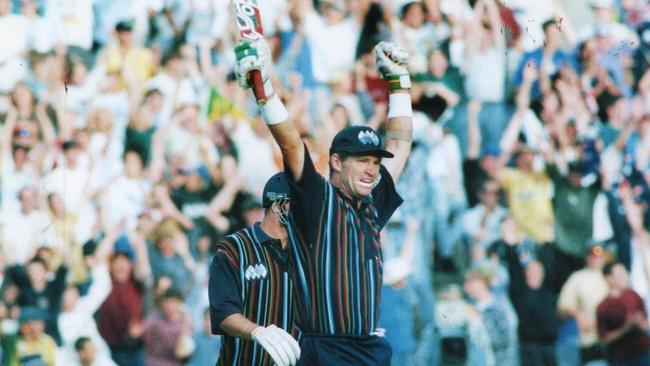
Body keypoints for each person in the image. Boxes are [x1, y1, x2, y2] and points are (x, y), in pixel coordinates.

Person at [233, 38, 413, 365]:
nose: (372, 170)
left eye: (375, 162)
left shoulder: (373, 203)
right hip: (324, 350)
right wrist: (265, 90)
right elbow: (291, 145)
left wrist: (399, 85)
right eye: (362, 161)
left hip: (369, 349)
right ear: (335, 162)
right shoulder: (317, 199)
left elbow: (400, 143)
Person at [208, 172, 300, 366]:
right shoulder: (234, 248)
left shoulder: (306, 253)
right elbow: (224, 313)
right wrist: (258, 332)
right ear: (279, 206)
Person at [596, 262, 650, 366]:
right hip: (620, 358)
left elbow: (645, 322)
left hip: (643, 353)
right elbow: (604, 339)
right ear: (609, 278)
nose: (625, 277)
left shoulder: (634, 295)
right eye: (620, 275)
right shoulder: (603, 307)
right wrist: (626, 328)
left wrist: (639, 323)